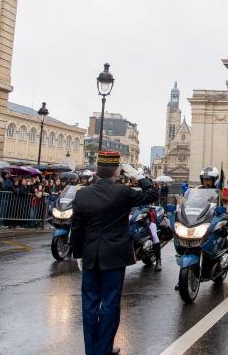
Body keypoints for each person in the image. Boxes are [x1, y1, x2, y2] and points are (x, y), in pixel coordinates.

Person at [70, 152, 158, 355]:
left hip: (91, 255)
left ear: (97, 172)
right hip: (115, 256)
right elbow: (153, 194)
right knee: (110, 305)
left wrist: (79, 254)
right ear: (116, 171)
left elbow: (77, 229)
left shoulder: (82, 194)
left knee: (89, 306)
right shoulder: (122, 193)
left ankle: (92, 351)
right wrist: (139, 176)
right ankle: (103, 349)